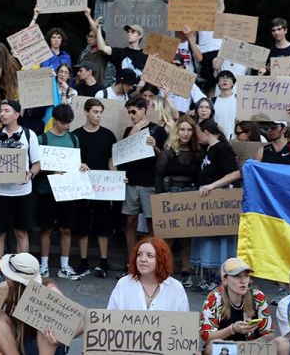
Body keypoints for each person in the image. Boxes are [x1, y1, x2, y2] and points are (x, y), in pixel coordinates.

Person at [0, 100, 41, 284]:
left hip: (22, 192)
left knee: (21, 233)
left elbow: (37, 164)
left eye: (6, 110)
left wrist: (29, 175)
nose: (2, 114)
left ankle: (23, 273)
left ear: (17, 114)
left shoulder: (29, 135)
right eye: (1, 111)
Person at [35, 104, 86, 280]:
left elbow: (76, 162)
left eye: (68, 122)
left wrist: (82, 166)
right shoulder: (42, 139)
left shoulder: (73, 139)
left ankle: (64, 266)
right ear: (55, 120)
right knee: (46, 229)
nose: (67, 126)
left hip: (67, 190)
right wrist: (51, 170)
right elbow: (36, 166)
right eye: (63, 122)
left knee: (66, 229)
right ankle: (44, 265)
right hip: (47, 190)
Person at [70, 99, 117, 279]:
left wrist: (116, 179)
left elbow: (111, 160)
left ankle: (104, 262)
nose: (98, 115)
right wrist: (79, 165)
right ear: (86, 112)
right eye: (95, 112)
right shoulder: (76, 136)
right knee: (81, 224)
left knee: (103, 225)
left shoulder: (108, 135)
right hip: (81, 186)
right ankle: (83, 262)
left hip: (102, 187)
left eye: (100, 112)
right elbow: (71, 161)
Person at [155, 115, 203, 287]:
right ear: (177, 131)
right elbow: (159, 174)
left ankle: (185, 272)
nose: (185, 133)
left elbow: (201, 176)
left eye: (189, 130)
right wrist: (160, 198)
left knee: (187, 238)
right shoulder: (169, 150)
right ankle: (163, 271)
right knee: (168, 237)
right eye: (182, 129)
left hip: (191, 194)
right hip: (171, 193)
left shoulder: (198, 151)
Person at [0, 253, 62, 355]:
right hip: (18, 342)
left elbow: (78, 323)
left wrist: (58, 337)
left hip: (45, 346)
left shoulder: (50, 290)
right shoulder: (7, 288)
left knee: (47, 324)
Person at [194, 118, 241, 291]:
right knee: (208, 239)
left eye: (198, 133)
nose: (197, 137)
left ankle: (220, 278)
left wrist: (212, 186)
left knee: (219, 241)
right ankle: (210, 277)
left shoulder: (222, 148)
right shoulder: (209, 149)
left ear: (205, 132)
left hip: (220, 201)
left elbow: (235, 173)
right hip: (208, 201)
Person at [199, 258, 283, 353]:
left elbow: (269, 333)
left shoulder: (257, 296)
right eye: (237, 276)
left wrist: (247, 346)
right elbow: (206, 337)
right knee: (213, 346)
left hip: (252, 349)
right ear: (225, 280)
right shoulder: (214, 298)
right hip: (227, 350)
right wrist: (233, 329)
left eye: (246, 276)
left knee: (282, 343)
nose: (243, 281)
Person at [118, 96, 167, 255]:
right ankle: (132, 259)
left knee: (151, 222)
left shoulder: (158, 130)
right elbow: (123, 151)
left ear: (143, 110)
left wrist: (155, 147)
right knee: (130, 221)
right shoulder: (128, 130)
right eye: (129, 112)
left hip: (149, 182)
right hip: (131, 181)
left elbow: (164, 158)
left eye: (133, 112)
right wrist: (136, 128)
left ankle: (153, 256)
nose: (131, 115)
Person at [108, 237, 189, 311]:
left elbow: (184, 320)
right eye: (139, 254)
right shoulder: (123, 284)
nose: (142, 259)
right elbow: (111, 317)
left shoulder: (176, 288)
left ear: (161, 260)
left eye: (149, 256)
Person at [82, 8, 114, 87]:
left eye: (92, 37)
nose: (89, 39)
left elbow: (99, 36)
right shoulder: (85, 54)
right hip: (84, 87)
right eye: (88, 36)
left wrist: (89, 17)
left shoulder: (102, 53)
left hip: (98, 88)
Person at [212, 70, 238, 139]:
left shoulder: (239, 99)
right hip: (218, 139)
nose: (225, 80)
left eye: (228, 78)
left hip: (236, 139)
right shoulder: (212, 101)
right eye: (222, 78)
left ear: (233, 83)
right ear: (218, 83)